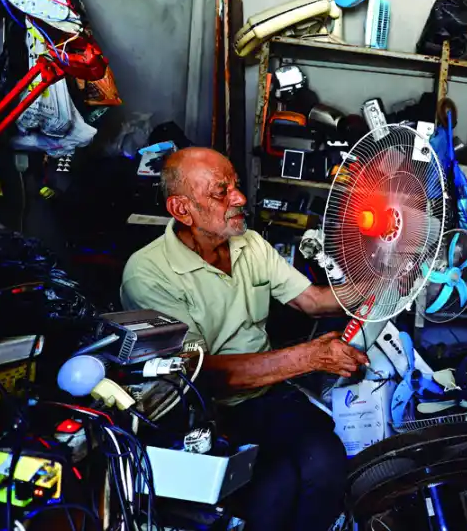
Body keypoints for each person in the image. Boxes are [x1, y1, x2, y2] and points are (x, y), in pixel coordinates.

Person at [120, 147, 368, 531]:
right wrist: (310, 357)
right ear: (182, 209)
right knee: (274, 490)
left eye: (235, 185)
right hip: (206, 413)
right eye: (221, 192)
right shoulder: (148, 274)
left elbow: (313, 301)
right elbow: (199, 375)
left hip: (267, 394)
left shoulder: (250, 244)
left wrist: (383, 282)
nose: (239, 198)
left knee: (327, 464)